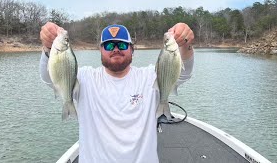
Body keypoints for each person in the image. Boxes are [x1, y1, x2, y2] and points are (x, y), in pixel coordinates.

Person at [39, 22, 194, 163]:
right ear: (100, 50)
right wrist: (48, 48)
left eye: (122, 44)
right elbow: (50, 78)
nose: (115, 49)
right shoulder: (85, 78)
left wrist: (185, 44)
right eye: (108, 46)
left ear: (132, 49)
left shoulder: (150, 76)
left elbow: (183, 73)